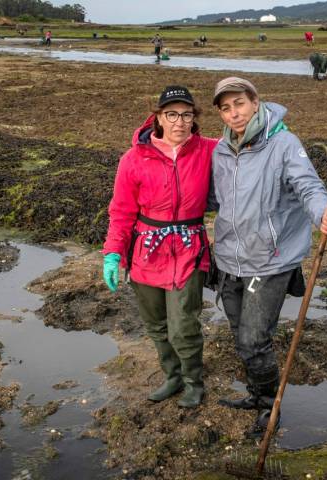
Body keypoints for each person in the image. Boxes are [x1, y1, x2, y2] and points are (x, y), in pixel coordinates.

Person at [209, 77, 327, 438]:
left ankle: (269, 404)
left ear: (254, 102)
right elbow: (212, 200)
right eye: (225, 107)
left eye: (239, 104)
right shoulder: (220, 150)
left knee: (254, 339)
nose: (233, 113)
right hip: (229, 259)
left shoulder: (284, 143)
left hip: (270, 260)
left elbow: (309, 186)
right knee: (241, 335)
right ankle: (255, 394)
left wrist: (322, 215)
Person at [102, 86, 218, 409]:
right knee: (156, 324)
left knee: (184, 325)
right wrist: (113, 253)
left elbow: (245, 144)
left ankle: (194, 380)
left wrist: (270, 125)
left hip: (189, 249)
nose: (180, 122)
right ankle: (173, 376)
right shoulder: (133, 159)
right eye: (172, 114)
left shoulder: (209, 150)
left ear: (194, 119)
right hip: (146, 253)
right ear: (158, 117)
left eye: (186, 114)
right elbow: (121, 211)